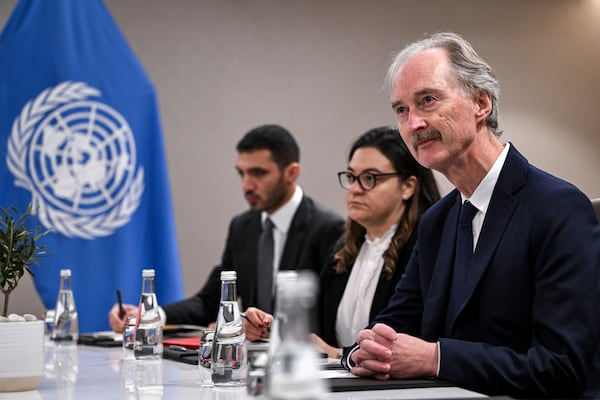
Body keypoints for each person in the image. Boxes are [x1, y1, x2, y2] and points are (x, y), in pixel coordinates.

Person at [342, 32, 600, 399]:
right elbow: (393, 323)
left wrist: (436, 358)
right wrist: (362, 352)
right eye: (401, 110)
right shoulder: (436, 221)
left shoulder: (558, 207)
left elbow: (563, 366)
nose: (413, 124)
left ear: (481, 103)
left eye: (427, 100)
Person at [108, 124, 344, 336]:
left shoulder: (327, 228)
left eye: (258, 173)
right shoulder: (243, 227)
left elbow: (330, 319)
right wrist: (151, 314)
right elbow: (209, 301)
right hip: (252, 363)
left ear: (291, 173)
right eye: (241, 173)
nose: (246, 185)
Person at [309, 126, 440, 359]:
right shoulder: (342, 249)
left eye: (370, 178)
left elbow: (410, 337)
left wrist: (339, 355)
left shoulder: (427, 248)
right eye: (351, 177)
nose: (355, 190)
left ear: (408, 187)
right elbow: (320, 334)